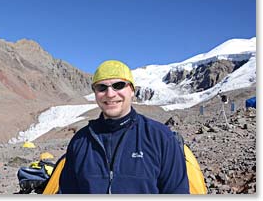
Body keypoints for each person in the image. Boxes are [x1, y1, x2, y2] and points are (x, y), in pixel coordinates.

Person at [59, 60, 189, 194]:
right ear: (95, 93)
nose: (110, 94)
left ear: (132, 90)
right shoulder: (80, 141)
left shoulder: (161, 137)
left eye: (118, 85)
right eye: (101, 87)